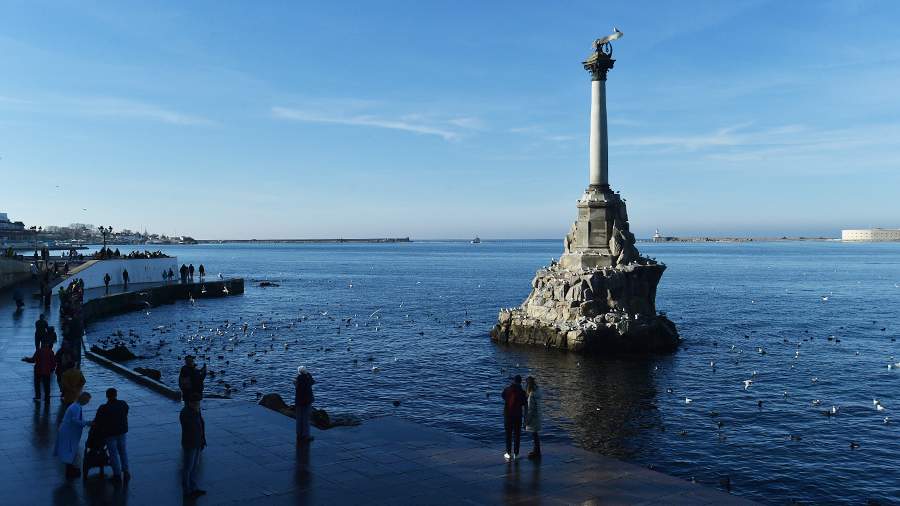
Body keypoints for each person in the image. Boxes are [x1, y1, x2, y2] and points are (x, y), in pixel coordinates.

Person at [94, 388, 131, 483]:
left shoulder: (103, 408)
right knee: (123, 451)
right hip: (122, 431)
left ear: (107, 396)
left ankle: (117, 475)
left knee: (113, 454)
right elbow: (126, 411)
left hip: (110, 434)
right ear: (116, 395)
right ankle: (126, 471)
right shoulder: (123, 403)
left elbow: (98, 421)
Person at [54, 391, 92, 478]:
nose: (88, 402)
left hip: (68, 431)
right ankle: (69, 470)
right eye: (87, 401)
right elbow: (75, 421)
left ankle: (70, 468)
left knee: (69, 450)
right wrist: (86, 423)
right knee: (69, 449)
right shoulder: (76, 408)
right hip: (69, 432)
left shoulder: (76, 406)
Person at [180, 393, 207, 498]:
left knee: (194, 466)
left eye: (198, 403)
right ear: (190, 403)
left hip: (197, 443)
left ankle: (193, 487)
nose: (198, 405)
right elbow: (192, 429)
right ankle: (186, 491)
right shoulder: (186, 413)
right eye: (196, 403)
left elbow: (200, 427)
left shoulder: (196, 412)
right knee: (188, 468)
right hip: (190, 444)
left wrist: (202, 440)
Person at [501, 375, 527, 461]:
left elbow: (503, 396)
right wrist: (525, 419)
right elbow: (525, 405)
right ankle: (516, 453)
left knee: (508, 434)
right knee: (517, 435)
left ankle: (508, 453)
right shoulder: (522, 392)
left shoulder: (507, 389)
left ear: (513, 381)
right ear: (520, 382)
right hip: (518, 416)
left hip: (508, 415)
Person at [294, 366, 316, 443]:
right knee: (306, 419)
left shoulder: (297, 379)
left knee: (299, 418)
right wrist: (308, 374)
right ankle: (306, 435)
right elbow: (313, 382)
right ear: (305, 372)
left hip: (298, 401)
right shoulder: (307, 379)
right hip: (306, 401)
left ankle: (299, 433)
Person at [524, 376, 542, 460]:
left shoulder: (531, 395)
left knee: (534, 435)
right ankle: (537, 451)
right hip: (538, 415)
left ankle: (536, 452)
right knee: (536, 434)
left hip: (534, 417)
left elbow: (530, 410)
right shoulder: (538, 391)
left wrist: (527, 421)